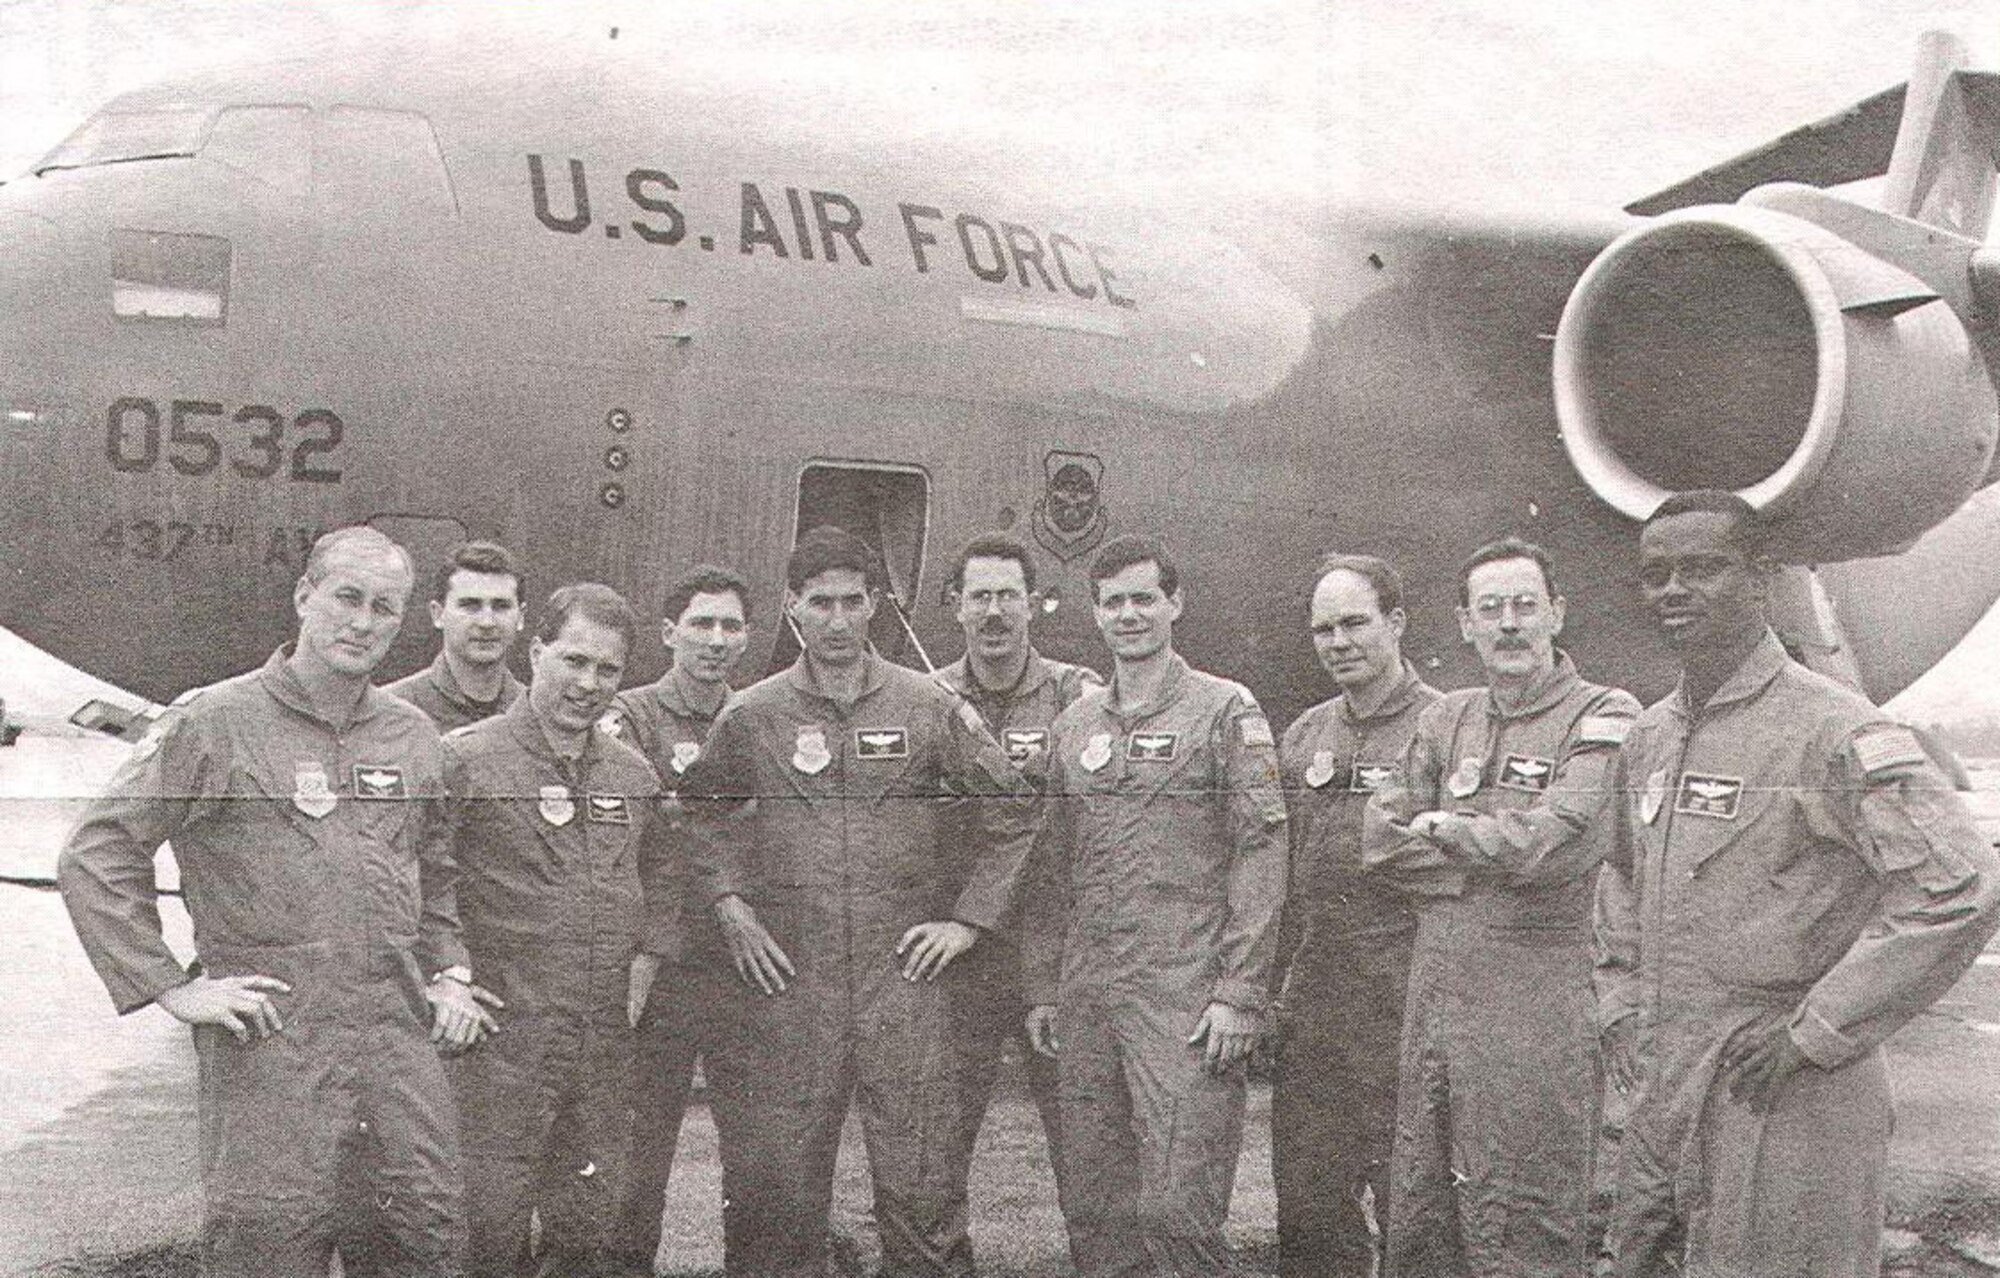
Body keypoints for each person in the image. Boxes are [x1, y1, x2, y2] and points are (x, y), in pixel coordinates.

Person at [57, 526, 487, 1278]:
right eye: (346, 598)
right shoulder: (215, 722)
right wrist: (172, 987)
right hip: (273, 1051)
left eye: (384, 608)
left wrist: (449, 971)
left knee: (419, 1243)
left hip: (395, 1050)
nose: (362, 622)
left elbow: (434, 868)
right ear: (304, 597)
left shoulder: (412, 736)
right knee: (268, 1250)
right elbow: (98, 852)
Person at [1597, 491, 2000, 1278]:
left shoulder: (1832, 730)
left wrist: (1816, 1030)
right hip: (1668, 1083)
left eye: (1702, 569)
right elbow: (1618, 873)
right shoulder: (1650, 736)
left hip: (1789, 1091)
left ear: (1762, 578)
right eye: (1656, 574)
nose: (1674, 590)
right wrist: (1616, 1001)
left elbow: (1958, 887)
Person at [677, 525, 1040, 1278]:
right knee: (777, 1197)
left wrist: (969, 921)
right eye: (820, 604)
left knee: (922, 1197)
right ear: (791, 607)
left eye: (852, 602)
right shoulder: (752, 714)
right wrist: (730, 906)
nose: (837, 621)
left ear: (875, 603)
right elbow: (698, 815)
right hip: (793, 988)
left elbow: (1014, 813)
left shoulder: (927, 706)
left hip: (902, 988)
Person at [1361, 536, 1638, 1278]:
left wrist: (1450, 834)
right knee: (1423, 1214)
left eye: (1524, 606)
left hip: (1535, 1006)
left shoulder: (1605, 713)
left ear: (1557, 613)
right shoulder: (1444, 718)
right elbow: (1381, 842)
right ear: (1464, 624)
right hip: (1437, 999)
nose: (1509, 624)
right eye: (1491, 610)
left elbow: (1565, 843)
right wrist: (1485, 862)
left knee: (1526, 1220)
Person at [1025, 534, 1289, 1277]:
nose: (1130, 614)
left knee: (1180, 1210)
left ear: (1176, 604)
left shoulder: (1224, 710)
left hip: (1183, 996)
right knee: (1095, 1209)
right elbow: (1050, 866)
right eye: (1114, 602)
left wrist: (1241, 992)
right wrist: (1044, 985)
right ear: (1096, 615)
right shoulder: (1074, 727)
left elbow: (1262, 847)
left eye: (1145, 598)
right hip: (1089, 998)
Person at [440, 582, 672, 1277]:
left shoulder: (632, 777)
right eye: (573, 661)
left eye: (607, 670)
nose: (588, 684)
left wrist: (645, 966)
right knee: (483, 1235)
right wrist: (445, 974)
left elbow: (664, 878)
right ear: (535, 650)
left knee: (589, 1237)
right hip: (497, 1050)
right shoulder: (465, 760)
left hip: (600, 1051)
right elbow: (423, 882)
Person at [1270, 554, 1439, 1278]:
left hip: (1408, 1000)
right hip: (1317, 1008)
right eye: (1323, 629)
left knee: (1418, 1210)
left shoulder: (1447, 724)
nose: (1338, 642)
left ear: (1396, 622)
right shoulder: (1305, 735)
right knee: (1309, 1210)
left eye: (1354, 623)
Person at [597, 564, 753, 1271]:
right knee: (635, 1164)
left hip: (742, 972)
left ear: (748, 637)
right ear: (668, 633)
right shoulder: (628, 716)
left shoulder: (759, 717)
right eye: (701, 624)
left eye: (730, 626)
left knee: (760, 1161)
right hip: (656, 969)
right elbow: (650, 830)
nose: (715, 640)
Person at [934, 533, 1101, 1172]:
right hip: (964, 953)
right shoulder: (927, 699)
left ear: (1036, 604)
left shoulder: (1076, 695)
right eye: (980, 597)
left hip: (1056, 949)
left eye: (1010, 596)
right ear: (955, 605)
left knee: (1081, 1141)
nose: (995, 612)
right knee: (937, 1143)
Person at [384, 540, 526, 731]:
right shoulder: (390, 712)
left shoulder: (534, 713)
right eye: (470, 605)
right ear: (438, 614)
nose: (487, 623)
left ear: (521, 617)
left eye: (501, 606)